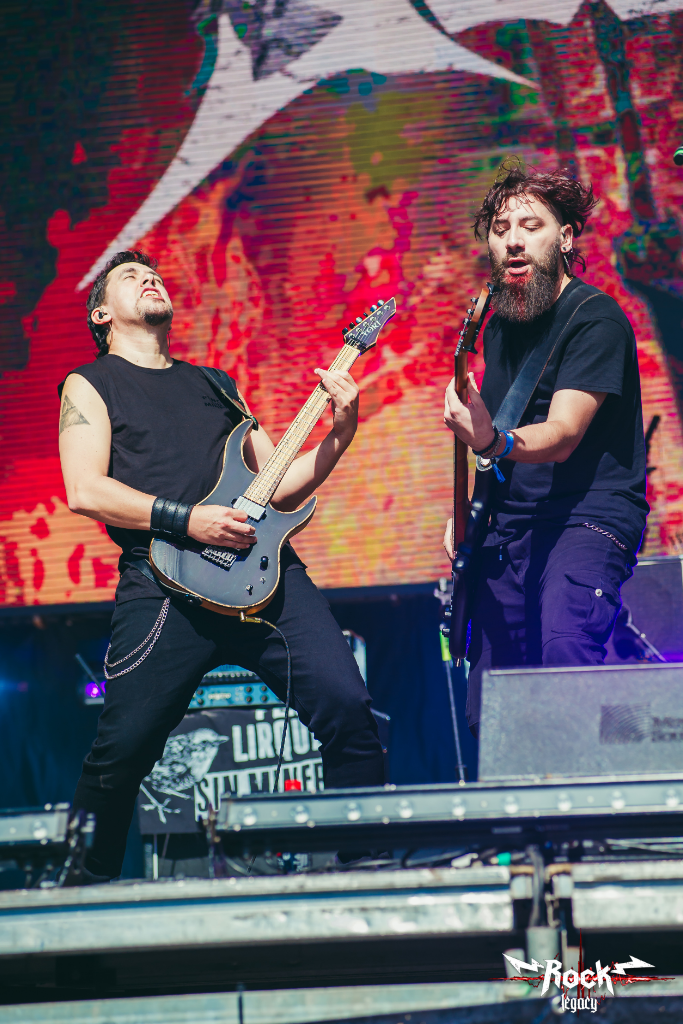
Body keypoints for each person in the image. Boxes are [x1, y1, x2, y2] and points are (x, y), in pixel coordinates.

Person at [58, 250, 384, 881]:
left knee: (349, 708)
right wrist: (188, 520)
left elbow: (278, 484)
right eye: (130, 276)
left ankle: (368, 873)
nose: (149, 278)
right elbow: (84, 489)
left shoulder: (215, 383)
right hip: (163, 585)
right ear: (101, 314)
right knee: (122, 751)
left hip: (264, 574)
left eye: (153, 273)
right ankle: (77, 897)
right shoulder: (90, 383)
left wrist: (341, 430)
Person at [443, 164, 648, 737]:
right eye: (501, 228)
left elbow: (561, 434)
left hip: (587, 516)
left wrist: (492, 439)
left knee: (565, 648)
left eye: (530, 226)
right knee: (493, 705)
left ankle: (596, 785)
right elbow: (497, 439)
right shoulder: (499, 326)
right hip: (511, 524)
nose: (513, 240)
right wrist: (467, 512)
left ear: (565, 238)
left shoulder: (595, 319)